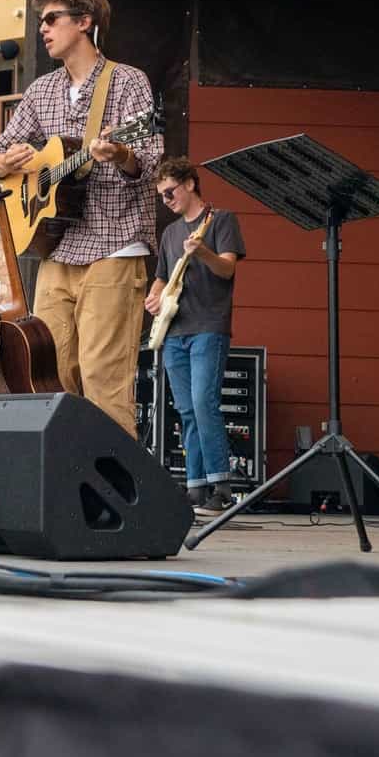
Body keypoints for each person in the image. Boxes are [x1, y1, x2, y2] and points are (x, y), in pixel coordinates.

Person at [0, 0, 163, 434]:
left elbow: (148, 157)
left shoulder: (127, 82)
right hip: (58, 250)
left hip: (115, 244)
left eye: (52, 19)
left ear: (84, 23)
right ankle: (71, 484)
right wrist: (4, 159)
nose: (42, 29)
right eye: (41, 21)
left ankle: (119, 495)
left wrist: (119, 153)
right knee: (51, 372)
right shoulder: (42, 90)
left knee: (104, 378)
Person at [145, 157, 246, 512]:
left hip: (208, 326)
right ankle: (195, 487)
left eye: (169, 191)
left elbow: (227, 268)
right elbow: (162, 275)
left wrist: (202, 251)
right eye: (161, 195)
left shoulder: (221, 221)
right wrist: (155, 296)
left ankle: (222, 486)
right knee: (187, 410)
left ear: (189, 183)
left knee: (204, 404)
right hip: (175, 330)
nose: (166, 199)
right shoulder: (170, 233)